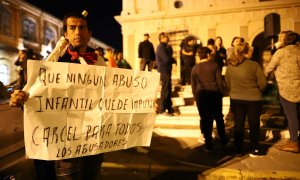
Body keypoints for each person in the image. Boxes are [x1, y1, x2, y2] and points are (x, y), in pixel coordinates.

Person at [10, 11, 106, 180]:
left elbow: (112, 95)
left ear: (89, 34)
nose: (78, 32)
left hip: (92, 146)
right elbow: (34, 95)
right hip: (64, 149)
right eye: (72, 28)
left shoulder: (99, 62)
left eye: (82, 28)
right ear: (66, 34)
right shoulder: (53, 63)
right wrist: (20, 98)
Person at [225, 42, 267, 157]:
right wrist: (257, 91)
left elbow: (227, 83)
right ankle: (255, 149)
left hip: (236, 98)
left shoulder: (231, 66)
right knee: (254, 124)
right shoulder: (254, 65)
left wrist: (235, 91)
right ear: (246, 52)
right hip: (254, 99)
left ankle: (237, 148)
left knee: (238, 123)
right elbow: (263, 83)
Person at [265, 31, 300, 153]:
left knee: (291, 117)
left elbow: (268, 68)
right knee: (296, 116)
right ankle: (294, 139)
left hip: (286, 90)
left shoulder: (281, 53)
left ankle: (294, 142)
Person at [191, 47, 229, 152]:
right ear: (208, 55)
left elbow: (193, 85)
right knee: (218, 117)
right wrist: (221, 93)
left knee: (205, 119)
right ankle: (223, 139)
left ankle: (208, 144)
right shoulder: (214, 65)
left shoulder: (195, 68)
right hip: (215, 94)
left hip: (201, 95)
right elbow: (220, 82)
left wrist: (196, 97)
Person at [156, 32, 175, 116]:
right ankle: (162, 109)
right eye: (165, 37)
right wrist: (172, 59)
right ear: (161, 38)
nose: (167, 38)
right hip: (164, 71)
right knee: (165, 90)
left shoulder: (166, 47)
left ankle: (169, 108)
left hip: (167, 70)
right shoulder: (160, 47)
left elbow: (169, 56)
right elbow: (166, 59)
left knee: (168, 89)